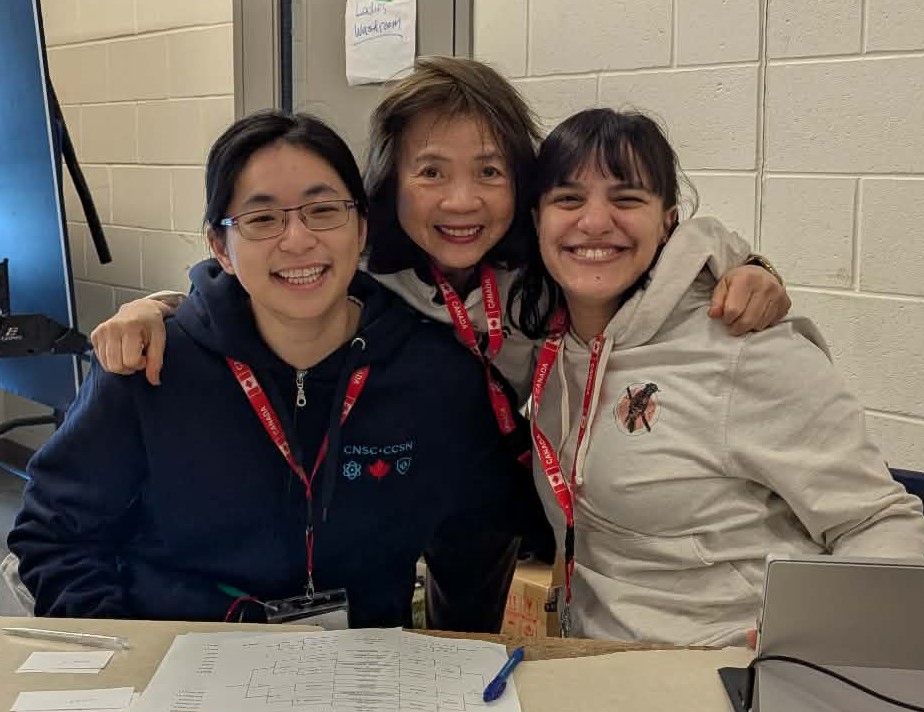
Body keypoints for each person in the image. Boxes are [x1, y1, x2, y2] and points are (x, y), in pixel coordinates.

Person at [88, 57, 790, 566]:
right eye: (430, 172)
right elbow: (246, 276)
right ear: (389, 185)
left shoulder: (554, 261)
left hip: (550, 492)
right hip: (431, 490)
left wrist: (752, 267)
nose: (461, 201)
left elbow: (662, 251)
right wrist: (157, 308)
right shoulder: (364, 264)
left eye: (489, 172)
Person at [8, 111, 525, 630]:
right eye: (262, 219)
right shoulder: (153, 366)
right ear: (220, 247)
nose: (297, 240)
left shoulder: (433, 376)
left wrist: (454, 653)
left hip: (362, 662)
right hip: (179, 652)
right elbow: (55, 534)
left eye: (323, 210)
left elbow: (475, 538)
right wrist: (130, 646)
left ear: (361, 227)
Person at [516, 107, 924, 647]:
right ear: (537, 220)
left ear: (668, 222)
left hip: (725, 669)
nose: (594, 222)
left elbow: (878, 522)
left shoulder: (742, 343)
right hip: (598, 662)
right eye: (569, 200)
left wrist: (824, 652)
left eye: (627, 199)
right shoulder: (536, 343)